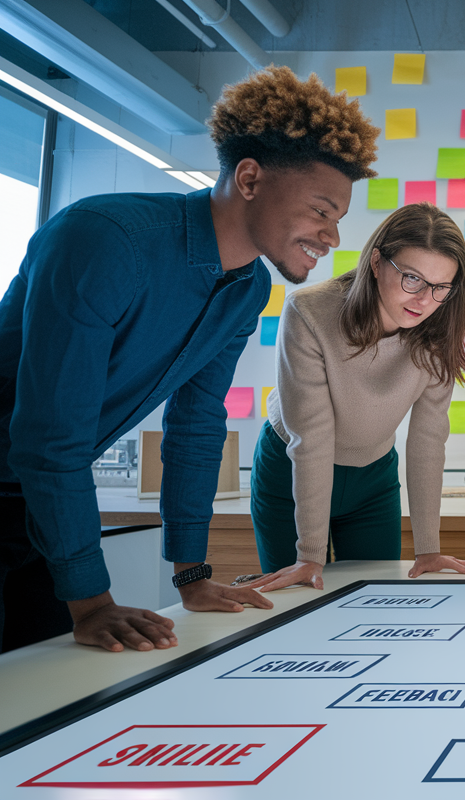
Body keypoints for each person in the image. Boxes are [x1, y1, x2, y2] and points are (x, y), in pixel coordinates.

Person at [0, 66, 380, 653]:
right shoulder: (104, 240)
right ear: (250, 177)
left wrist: (191, 574)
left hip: (33, 504)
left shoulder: (248, 287)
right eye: (321, 211)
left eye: (337, 220)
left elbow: (197, 427)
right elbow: (50, 438)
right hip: (32, 474)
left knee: (35, 685)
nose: (331, 237)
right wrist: (93, 601)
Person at [246, 203, 465, 592]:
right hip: (291, 467)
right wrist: (309, 554)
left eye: (441, 287)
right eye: (412, 278)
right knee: (297, 599)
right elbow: (313, 440)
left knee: (373, 595)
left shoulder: (440, 329)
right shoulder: (309, 312)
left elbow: (427, 440)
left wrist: (428, 549)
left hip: (373, 478)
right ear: (376, 262)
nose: (424, 300)